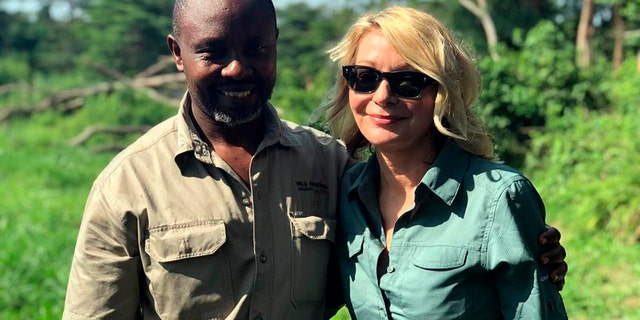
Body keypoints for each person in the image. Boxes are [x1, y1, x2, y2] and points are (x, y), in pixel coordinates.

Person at [63, 1, 567, 319]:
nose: (237, 67)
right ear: (177, 52)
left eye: (256, 48)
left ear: (276, 47)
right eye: (212, 51)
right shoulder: (126, 184)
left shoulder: (331, 167)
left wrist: (529, 244)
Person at [320, 6, 568, 319]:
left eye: (407, 82)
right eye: (365, 78)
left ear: (443, 93)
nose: (382, 96)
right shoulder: (345, 193)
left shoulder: (496, 200)